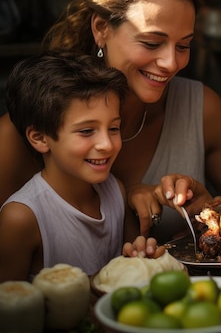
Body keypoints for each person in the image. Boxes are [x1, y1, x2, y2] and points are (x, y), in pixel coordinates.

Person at [0, 0, 221, 242]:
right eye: (151, 42)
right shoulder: (17, 136)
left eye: (183, 46)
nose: (172, 63)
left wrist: (209, 215)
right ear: (101, 29)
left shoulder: (204, 111)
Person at [0, 53, 166, 282]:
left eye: (114, 128)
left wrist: (139, 258)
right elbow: (10, 308)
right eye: (87, 131)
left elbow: (130, 267)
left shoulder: (115, 191)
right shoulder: (21, 218)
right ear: (39, 138)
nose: (107, 145)